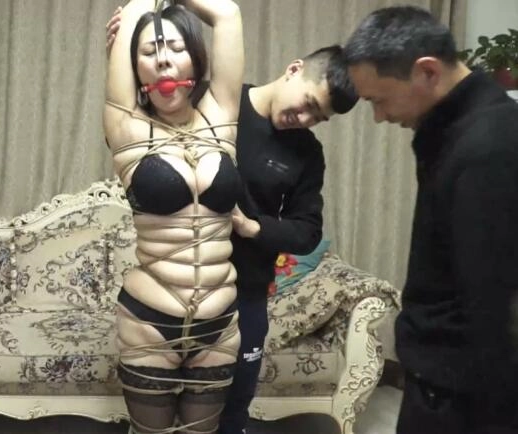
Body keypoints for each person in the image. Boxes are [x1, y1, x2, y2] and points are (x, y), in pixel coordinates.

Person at [107, 10, 359, 433]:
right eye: (309, 104)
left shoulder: (294, 147)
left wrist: (253, 227)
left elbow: (307, 231)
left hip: (238, 302)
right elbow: (142, 82)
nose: (306, 118)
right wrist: (143, 22)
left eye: (319, 117)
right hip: (156, 309)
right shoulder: (208, 107)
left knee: (232, 415)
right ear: (294, 70)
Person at [344, 6, 518, 434]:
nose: (379, 117)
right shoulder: (449, 130)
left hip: (461, 399)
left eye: (379, 100)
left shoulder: (487, 148)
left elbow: (495, 304)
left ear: (427, 71)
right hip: (438, 383)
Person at [103, 0, 245, 433]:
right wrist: (137, 14)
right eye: (149, 52)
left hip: (220, 326)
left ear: (197, 59)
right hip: (149, 322)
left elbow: (227, 14)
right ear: (135, 69)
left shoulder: (221, 117)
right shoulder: (126, 125)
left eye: (177, 48)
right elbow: (134, 18)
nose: (164, 60)